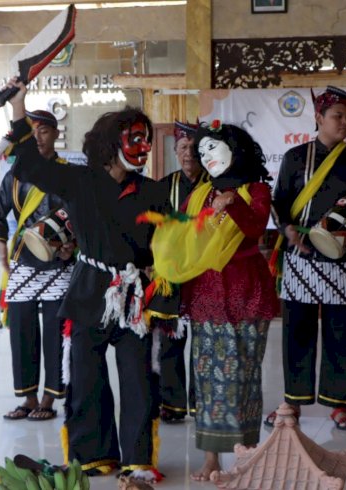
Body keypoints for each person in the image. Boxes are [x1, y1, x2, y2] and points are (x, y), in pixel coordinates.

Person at [6, 79, 167, 482]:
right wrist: (18, 107)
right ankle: (92, 455)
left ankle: (137, 459)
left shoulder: (153, 191)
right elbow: (29, 166)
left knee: (137, 379)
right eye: (135, 139)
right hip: (88, 290)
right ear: (113, 143)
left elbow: (169, 247)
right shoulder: (79, 181)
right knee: (85, 377)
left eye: (146, 140)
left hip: (134, 297)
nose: (143, 148)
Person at [150, 120, 279, 480]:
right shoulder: (200, 193)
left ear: (235, 150)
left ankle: (246, 455)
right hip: (206, 295)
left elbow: (255, 228)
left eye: (212, 149)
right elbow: (185, 233)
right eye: (201, 151)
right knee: (207, 378)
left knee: (243, 376)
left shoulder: (256, 189)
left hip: (247, 295)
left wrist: (232, 203)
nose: (205, 157)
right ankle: (210, 459)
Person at [270, 86, 346, 431]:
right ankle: (292, 401)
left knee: (341, 331)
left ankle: (341, 404)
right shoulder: (294, 157)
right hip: (300, 255)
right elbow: (280, 203)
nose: (345, 122)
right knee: (297, 331)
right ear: (319, 118)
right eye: (338, 116)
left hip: (341, 256)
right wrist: (287, 228)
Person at [0, 109, 75, 421]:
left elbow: (79, 216)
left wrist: (72, 246)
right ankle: (27, 397)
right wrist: (1, 244)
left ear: (55, 134)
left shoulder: (67, 173)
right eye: (33, 132)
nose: (38, 137)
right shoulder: (14, 175)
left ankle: (49, 398)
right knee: (21, 329)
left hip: (58, 263)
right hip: (23, 261)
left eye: (44, 131)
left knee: (55, 330)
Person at [152, 120, 204, 424]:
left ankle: (200, 404)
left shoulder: (215, 185)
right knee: (170, 340)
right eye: (184, 147)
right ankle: (172, 404)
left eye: (195, 148)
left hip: (206, 274)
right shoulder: (162, 187)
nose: (189, 154)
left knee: (203, 342)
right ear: (175, 150)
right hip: (170, 276)